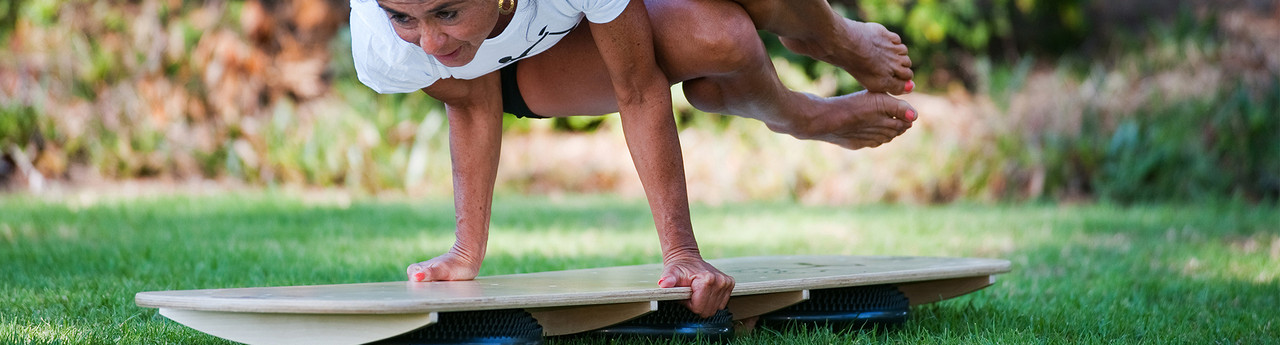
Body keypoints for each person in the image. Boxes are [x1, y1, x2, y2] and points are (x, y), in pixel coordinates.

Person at [350, 0, 918, 318]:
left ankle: (835, 37)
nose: (426, 40)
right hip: (524, 69)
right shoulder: (385, 44)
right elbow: (473, 98)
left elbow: (639, 88)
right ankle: (801, 115)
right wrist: (464, 250)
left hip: (591, 16)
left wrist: (681, 250)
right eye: (405, 16)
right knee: (725, 38)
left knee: (727, 31)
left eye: (446, 12)